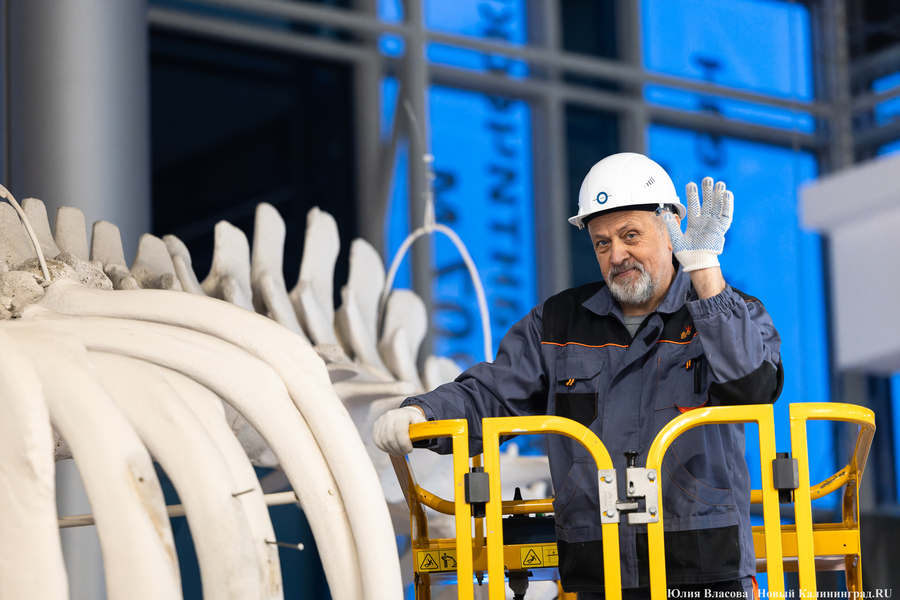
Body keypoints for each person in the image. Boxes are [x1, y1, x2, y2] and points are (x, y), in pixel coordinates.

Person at [373, 152, 783, 599]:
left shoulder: (730, 313)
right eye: (602, 243)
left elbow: (752, 389)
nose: (617, 255)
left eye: (631, 236)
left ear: (671, 231)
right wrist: (422, 411)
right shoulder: (558, 323)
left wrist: (705, 272)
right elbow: (491, 393)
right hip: (595, 571)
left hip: (705, 568)